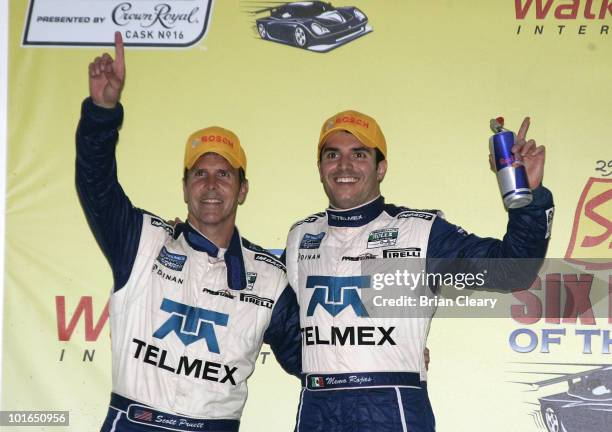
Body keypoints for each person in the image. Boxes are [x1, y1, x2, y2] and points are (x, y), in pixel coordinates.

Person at [76, 32, 300, 432]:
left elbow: (311, 353)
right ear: (184, 187)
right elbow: (96, 183)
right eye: (200, 173)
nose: (211, 185)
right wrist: (102, 112)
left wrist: (391, 361)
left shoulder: (269, 278)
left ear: (243, 189)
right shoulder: (141, 240)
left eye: (224, 174)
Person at [285, 110, 554, 431]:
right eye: (333, 155)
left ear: (380, 167)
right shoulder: (301, 235)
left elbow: (512, 271)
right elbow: (287, 328)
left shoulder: (421, 231)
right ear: (320, 168)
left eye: (358, 154)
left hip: (392, 404)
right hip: (317, 407)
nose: (344, 166)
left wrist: (530, 197)